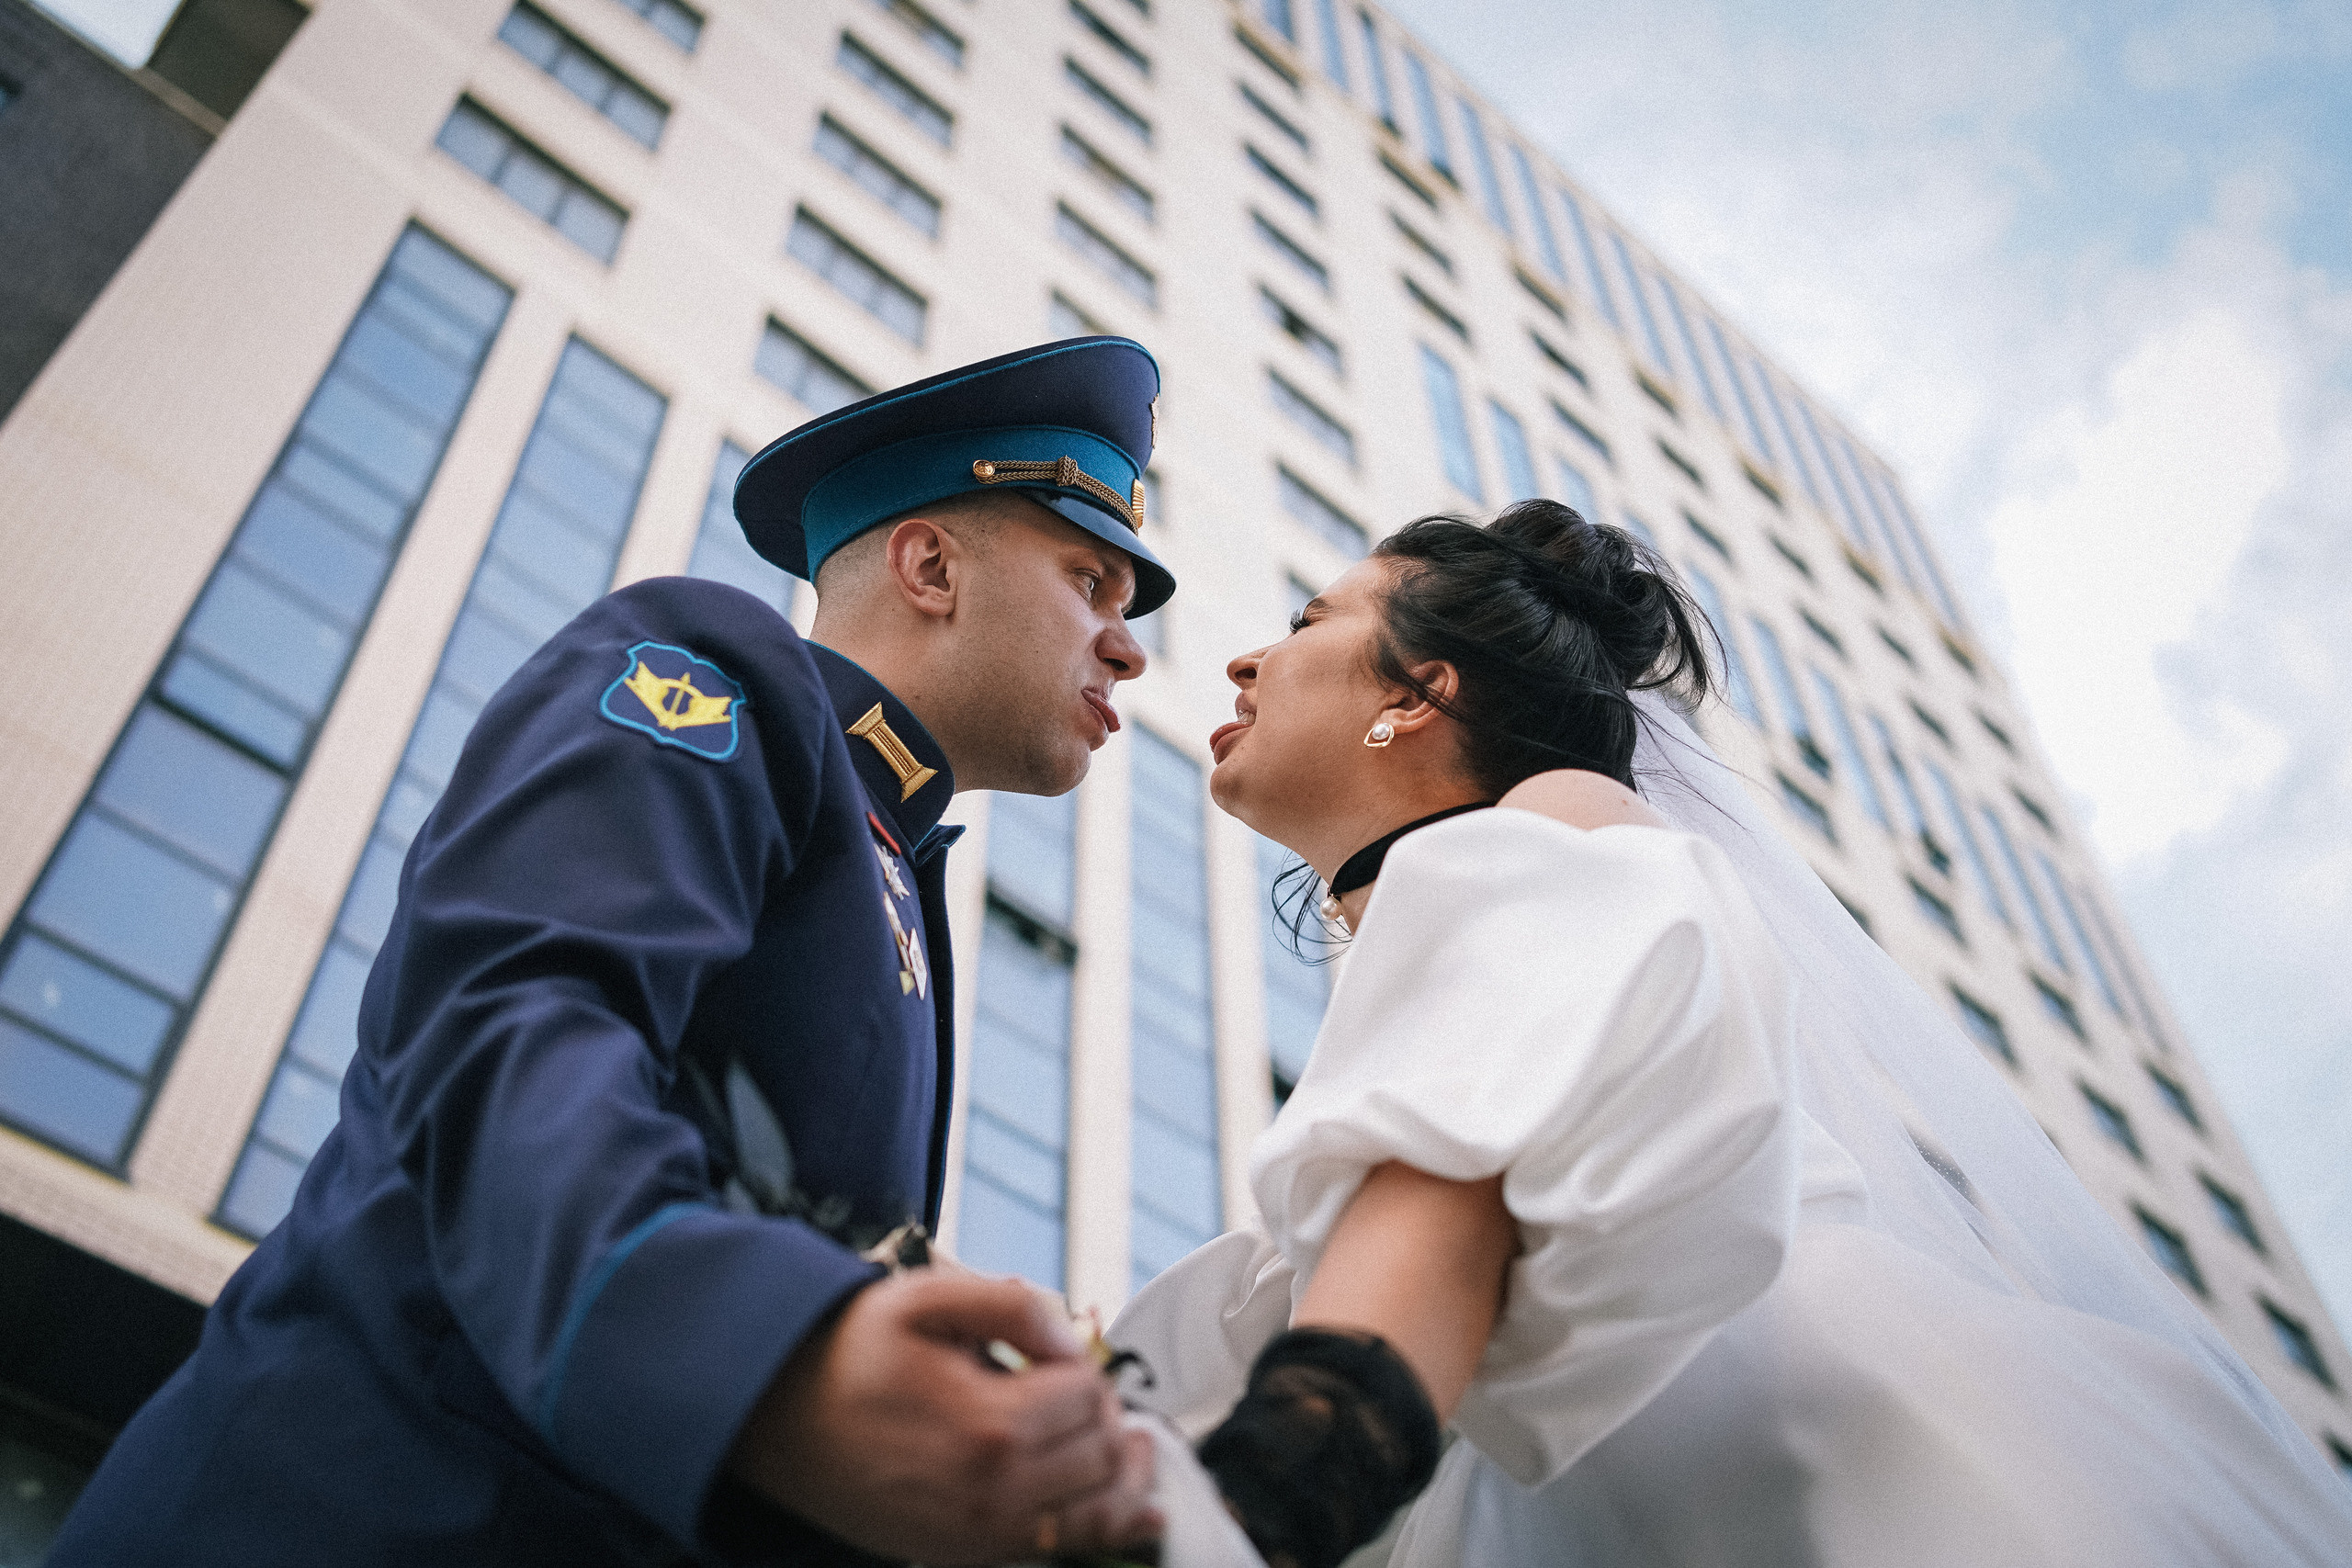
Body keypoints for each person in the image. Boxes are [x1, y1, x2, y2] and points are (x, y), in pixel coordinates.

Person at [49, 338, 1177, 1567]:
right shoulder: (715, 673)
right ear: (929, 565)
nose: (1128, 647)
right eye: (1092, 584)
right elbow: (519, 1016)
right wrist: (774, 1364)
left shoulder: (895, 866)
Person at [1112, 499, 2352, 1567]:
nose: (1243, 664)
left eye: (1304, 620)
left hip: (1837, 1457)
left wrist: (1270, 1493)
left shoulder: (1560, 821)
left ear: (1419, 693)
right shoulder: (1435, 973)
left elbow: (1452, 1198)